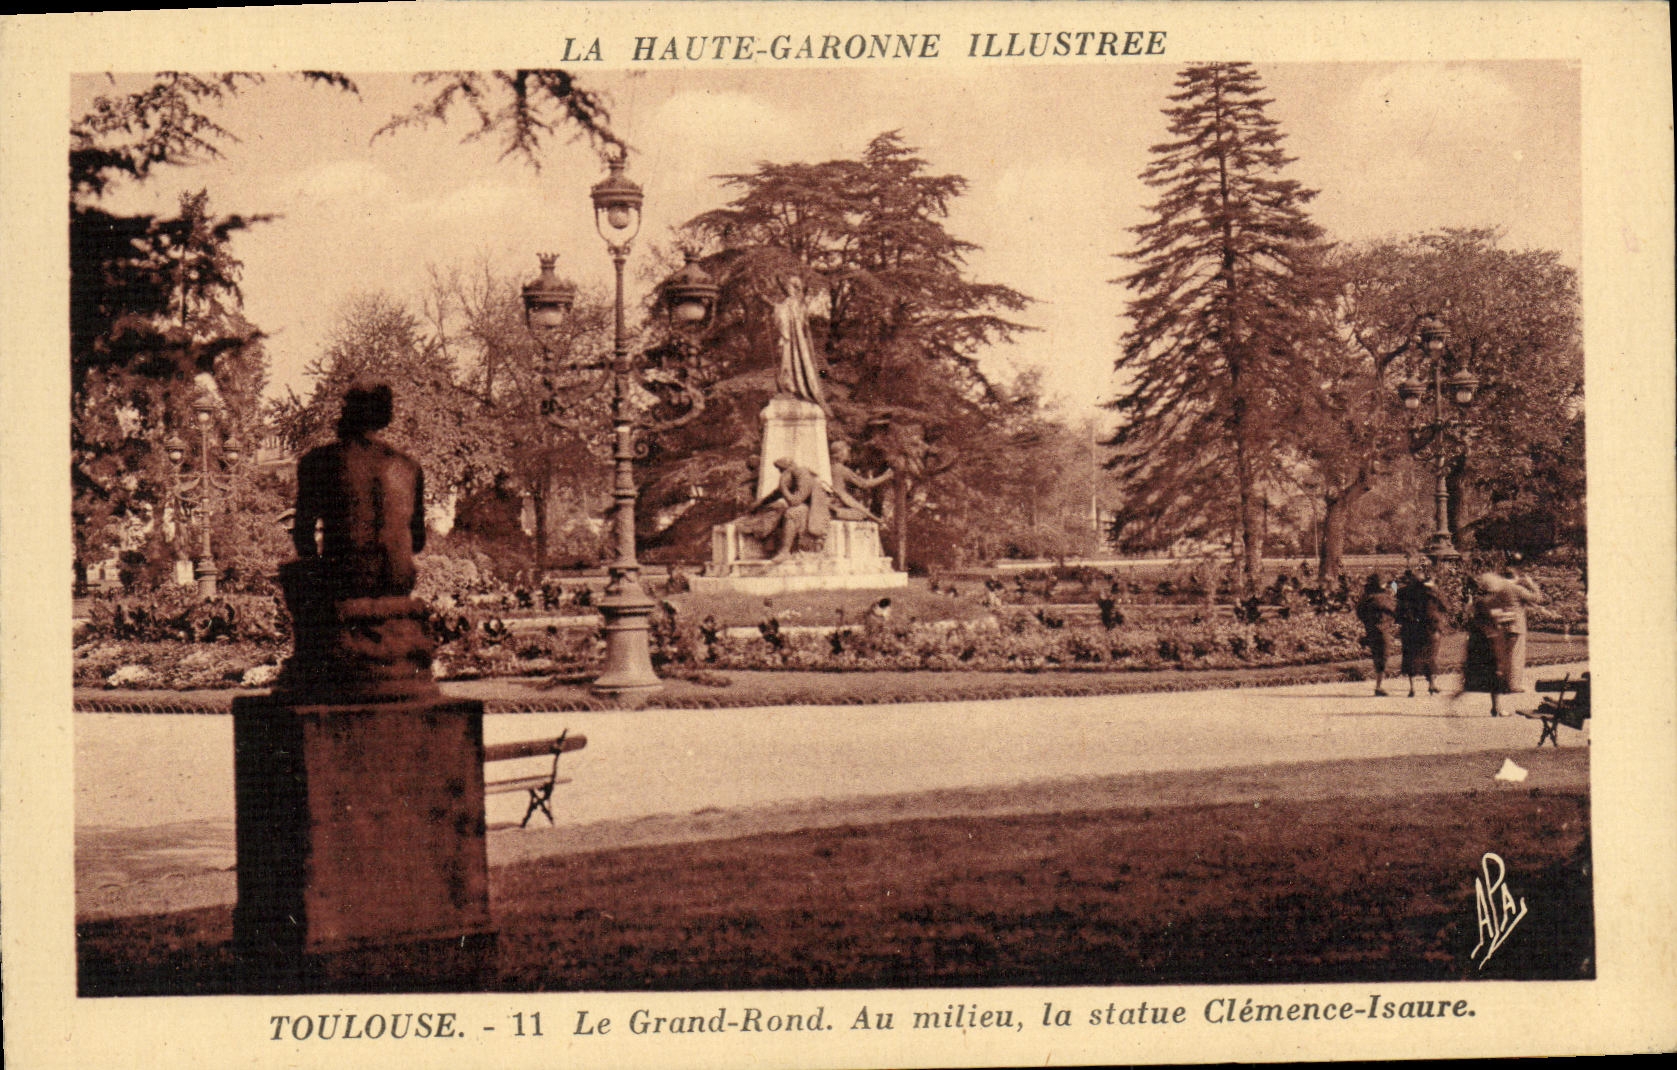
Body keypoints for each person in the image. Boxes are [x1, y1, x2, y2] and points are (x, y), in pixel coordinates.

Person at [291, 382, 426, 599]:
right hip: (396, 589)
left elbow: (303, 538)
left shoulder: (317, 461)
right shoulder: (409, 467)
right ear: (386, 416)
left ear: (346, 412)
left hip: (342, 588)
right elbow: (418, 542)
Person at [1459, 566, 1546, 716]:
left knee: (1503, 661)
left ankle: (1502, 693)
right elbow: (1537, 598)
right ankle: (1512, 685)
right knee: (1514, 657)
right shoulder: (1515, 589)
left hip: (1497, 631)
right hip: (1512, 626)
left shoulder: (1494, 593)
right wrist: (1531, 584)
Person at [736, 457, 829, 561]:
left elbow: (795, 501)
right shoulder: (792, 478)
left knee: (792, 512)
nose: (781, 474)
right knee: (776, 507)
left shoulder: (803, 475)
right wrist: (758, 504)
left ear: (788, 470)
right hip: (803, 507)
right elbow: (774, 495)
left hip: (814, 511)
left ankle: (785, 551)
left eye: (781, 471)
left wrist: (783, 486)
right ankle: (766, 546)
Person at [770, 274, 826, 409]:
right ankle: (788, 387)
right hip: (787, 338)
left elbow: (798, 322)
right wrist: (776, 310)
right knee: (785, 361)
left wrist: (777, 311)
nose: (788, 289)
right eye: (788, 287)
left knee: (790, 362)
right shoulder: (790, 303)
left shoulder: (796, 303)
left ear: (795, 288)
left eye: (791, 287)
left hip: (792, 340)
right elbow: (781, 316)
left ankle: (792, 387)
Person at [1393, 571, 1447, 697]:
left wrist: (1396, 580)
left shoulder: (1404, 592)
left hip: (1410, 628)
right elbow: (1445, 606)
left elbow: (1394, 591)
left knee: (1410, 656)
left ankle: (1412, 688)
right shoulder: (1430, 593)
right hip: (1429, 628)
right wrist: (1435, 588)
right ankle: (1431, 684)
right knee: (1430, 655)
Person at [828, 440, 892, 522]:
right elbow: (864, 484)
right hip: (839, 504)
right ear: (841, 453)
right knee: (861, 515)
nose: (848, 454)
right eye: (847, 451)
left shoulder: (831, 467)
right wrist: (886, 476)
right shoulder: (842, 470)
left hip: (834, 502)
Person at [1354, 573, 1397, 696]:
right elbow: (1394, 609)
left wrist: (1368, 622)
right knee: (1383, 655)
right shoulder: (1382, 598)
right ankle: (1379, 686)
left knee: (1378, 655)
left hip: (1371, 628)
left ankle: (1379, 685)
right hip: (1382, 629)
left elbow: (1360, 612)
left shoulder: (1367, 597)